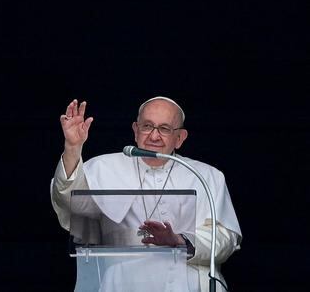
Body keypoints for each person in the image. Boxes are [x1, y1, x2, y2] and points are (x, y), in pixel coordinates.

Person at [50, 97, 242, 292]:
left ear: (180, 138)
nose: (154, 136)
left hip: (187, 285)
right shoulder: (101, 167)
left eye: (165, 129)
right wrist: (72, 148)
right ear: (135, 130)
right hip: (120, 284)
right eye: (147, 126)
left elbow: (225, 239)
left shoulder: (207, 176)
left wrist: (181, 240)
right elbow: (71, 207)